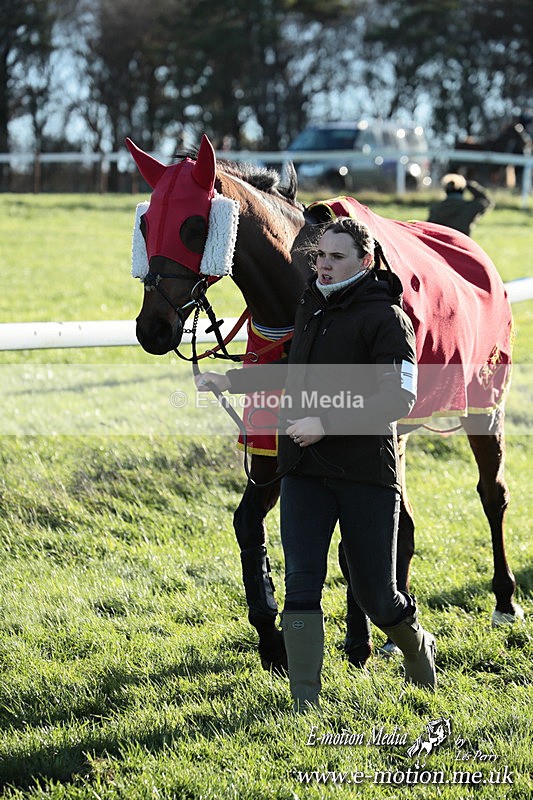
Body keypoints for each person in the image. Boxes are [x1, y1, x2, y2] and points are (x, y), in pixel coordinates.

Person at [196, 217, 436, 710]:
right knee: (301, 584)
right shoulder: (310, 303)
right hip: (303, 469)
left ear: (364, 262)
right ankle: (305, 702)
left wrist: (326, 422)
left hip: (365, 475)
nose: (324, 266)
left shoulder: (388, 319)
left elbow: (400, 398)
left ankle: (417, 645)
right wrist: (232, 382)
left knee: (378, 596)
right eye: (319, 256)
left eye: (336, 258)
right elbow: (294, 370)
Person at [427, 173, 493, 236]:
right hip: (461, 244)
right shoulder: (470, 207)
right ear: (463, 191)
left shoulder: (435, 208)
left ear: (446, 190)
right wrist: (468, 184)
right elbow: (487, 201)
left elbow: (427, 228)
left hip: (439, 244)